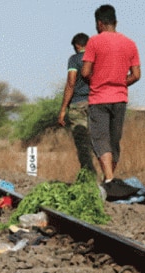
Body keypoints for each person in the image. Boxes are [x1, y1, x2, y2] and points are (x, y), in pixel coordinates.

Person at [81, 4, 140, 188]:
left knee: (100, 139)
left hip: (99, 98)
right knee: (114, 140)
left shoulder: (94, 42)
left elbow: (85, 71)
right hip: (120, 98)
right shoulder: (130, 43)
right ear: (115, 22)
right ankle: (110, 179)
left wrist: (96, 81)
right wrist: (121, 83)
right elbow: (136, 75)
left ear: (99, 23)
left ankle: (108, 179)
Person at [58, 33, 95, 173]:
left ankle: (88, 174)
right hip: (96, 103)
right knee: (97, 141)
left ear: (77, 46)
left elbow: (71, 83)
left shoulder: (74, 59)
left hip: (78, 104)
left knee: (82, 142)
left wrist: (62, 109)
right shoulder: (97, 58)